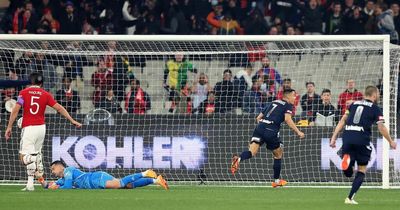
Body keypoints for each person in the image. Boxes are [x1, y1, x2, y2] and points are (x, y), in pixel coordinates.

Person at [4, 72, 82, 191]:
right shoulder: (46, 94)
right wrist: (72, 120)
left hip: (29, 127)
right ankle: (30, 185)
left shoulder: (24, 93)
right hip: (41, 128)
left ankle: (35, 159)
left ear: (31, 82)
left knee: (23, 157)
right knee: (33, 153)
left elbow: (15, 110)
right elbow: (59, 108)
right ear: (41, 83)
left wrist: (9, 126)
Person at [330, 86, 397, 204]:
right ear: (374, 95)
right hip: (362, 139)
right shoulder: (376, 108)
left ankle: (347, 163)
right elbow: (381, 127)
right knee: (361, 169)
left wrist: (334, 138)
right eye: (378, 94)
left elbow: (343, 120)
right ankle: (349, 198)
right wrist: (390, 141)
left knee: (349, 169)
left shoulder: (353, 104)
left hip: (347, 137)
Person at [231, 88, 305, 187]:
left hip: (259, 128)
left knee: (252, 152)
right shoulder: (288, 105)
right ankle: (276, 181)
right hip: (271, 130)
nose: (295, 98)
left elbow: (258, 117)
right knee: (278, 154)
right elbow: (288, 119)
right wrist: (298, 132)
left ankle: (239, 159)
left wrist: (263, 127)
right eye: (293, 95)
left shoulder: (273, 102)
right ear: (288, 96)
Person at [40, 160, 168, 190]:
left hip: (96, 179)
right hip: (96, 180)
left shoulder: (68, 170)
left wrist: (57, 188)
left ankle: (146, 172)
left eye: (53, 169)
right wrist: (41, 181)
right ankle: (155, 180)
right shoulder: (62, 178)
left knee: (120, 184)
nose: (52, 172)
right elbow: (49, 185)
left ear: (59, 166)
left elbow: (66, 187)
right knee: (128, 186)